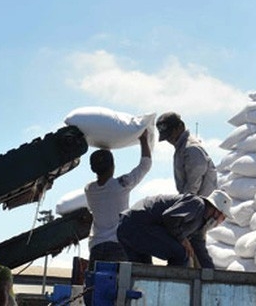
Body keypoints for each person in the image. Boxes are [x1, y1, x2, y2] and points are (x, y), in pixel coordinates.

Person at [155, 112, 218, 267]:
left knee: (195, 255)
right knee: (190, 255)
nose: (169, 139)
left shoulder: (191, 149)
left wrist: (182, 216)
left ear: (180, 127)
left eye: (170, 134)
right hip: (192, 212)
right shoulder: (181, 149)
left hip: (195, 213)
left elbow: (192, 189)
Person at [84, 130, 152, 270]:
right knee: (116, 286)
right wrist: (144, 140)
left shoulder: (89, 189)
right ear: (113, 166)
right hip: (117, 245)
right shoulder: (121, 184)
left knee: (94, 286)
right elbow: (145, 165)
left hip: (96, 246)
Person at [116, 190, 231, 268]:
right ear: (217, 211)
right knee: (181, 253)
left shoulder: (200, 224)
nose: (222, 221)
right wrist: (182, 239)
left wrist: (212, 273)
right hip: (136, 224)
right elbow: (170, 217)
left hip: (128, 227)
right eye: (223, 217)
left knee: (143, 273)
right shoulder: (197, 204)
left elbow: (200, 249)